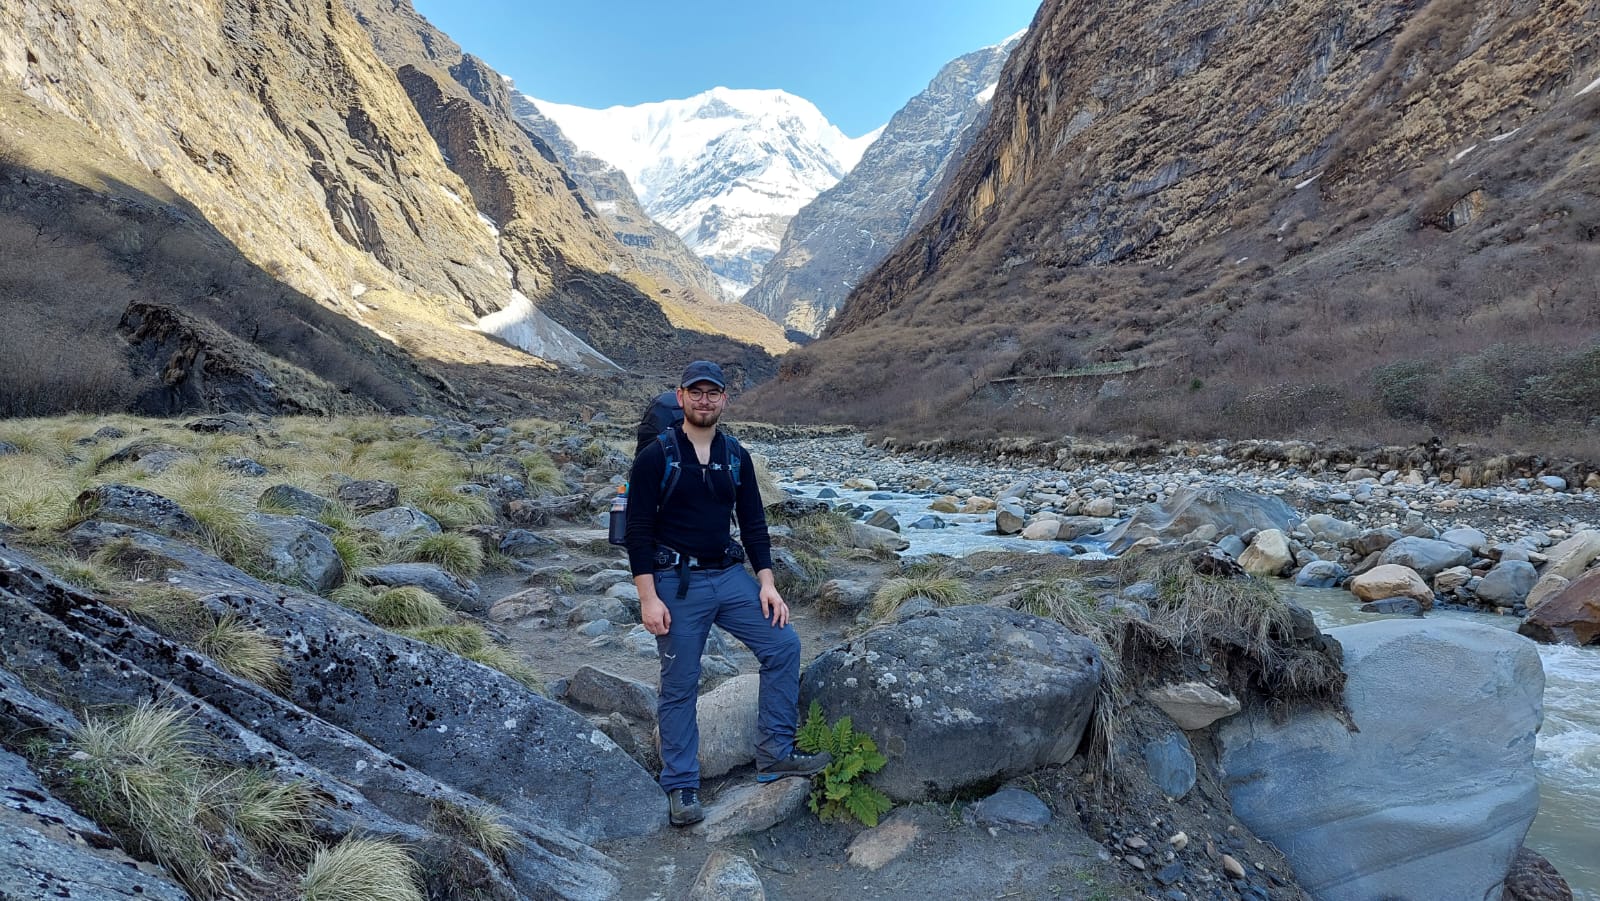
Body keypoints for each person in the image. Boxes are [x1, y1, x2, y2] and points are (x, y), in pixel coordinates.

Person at [625, 360, 830, 826]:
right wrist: (647, 597)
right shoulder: (657, 455)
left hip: (729, 576)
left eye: (712, 393)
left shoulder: (735, 455)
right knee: (680, 684)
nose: (703, 400)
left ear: (724, 400)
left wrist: (767, 583)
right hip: (676, 582)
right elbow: (637, 530)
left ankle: (775, 753)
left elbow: (754, 524)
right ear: (680, 398)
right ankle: (680, 785)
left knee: (783, 645)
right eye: (694, 392)